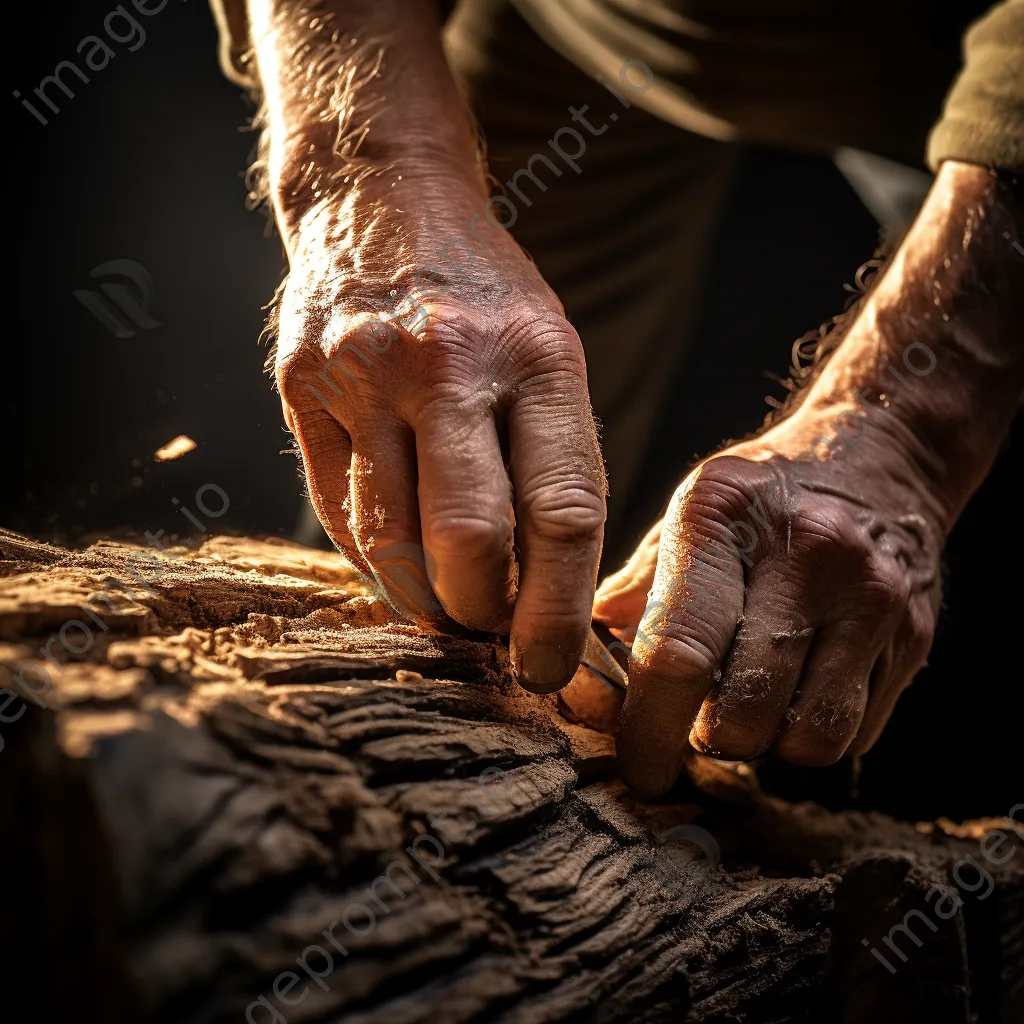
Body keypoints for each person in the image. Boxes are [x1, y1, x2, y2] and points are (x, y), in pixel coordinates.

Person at [208, 0, 1023, 798]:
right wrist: (367, 176)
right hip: (580, 25)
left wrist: (907, 432)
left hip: (950, 70)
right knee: (425, 438)